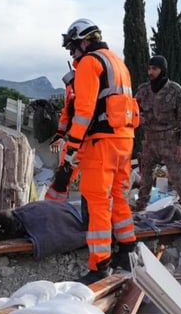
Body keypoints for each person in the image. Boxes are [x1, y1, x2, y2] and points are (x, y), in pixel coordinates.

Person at [60, 18, 140, 284]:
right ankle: (128, 251)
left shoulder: (90, 63)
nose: (73, 55)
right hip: (125, 138)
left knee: (97, 203)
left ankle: (99, 266)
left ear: (85, 41)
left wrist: (71, 148)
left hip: (102, 142)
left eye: (73, 48)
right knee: (118, 197)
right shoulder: (117, 62)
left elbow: (84, 112)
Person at [133, 55, 181, 229]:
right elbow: (131, 110)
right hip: (149, 140)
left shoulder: (174, 90)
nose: (151, 72)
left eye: (154, 69)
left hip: (170, 141)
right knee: (144, 178)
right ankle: (140, 207)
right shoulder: (143, 90)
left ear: (162, 70)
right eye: (149, 68)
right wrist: (138, 118)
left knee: (180, 179)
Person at [46, 59, 82, 202]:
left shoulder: (85, 89)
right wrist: (59, 135)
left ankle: (54, 206)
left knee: (65, 176)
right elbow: (66, 113)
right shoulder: (71, 92)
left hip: (80, 140)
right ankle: (55, 206)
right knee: (63, 176)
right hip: (75, 140)